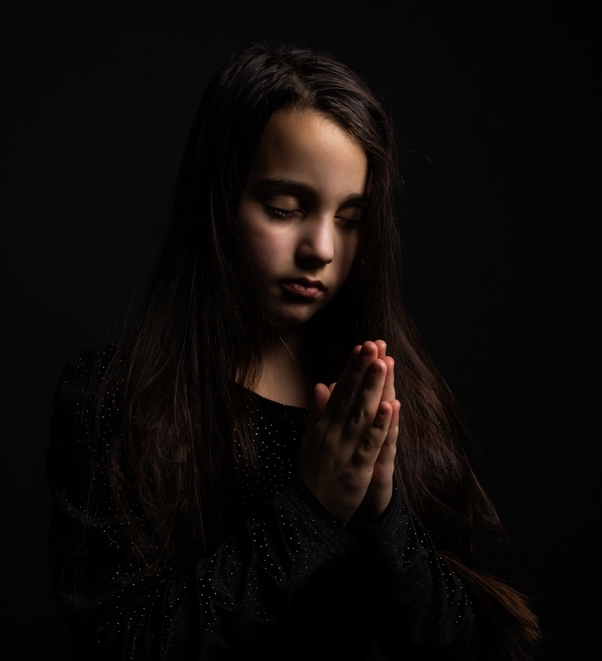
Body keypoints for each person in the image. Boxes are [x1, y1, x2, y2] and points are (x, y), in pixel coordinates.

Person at [48, 42, 540, 660]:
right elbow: (121, 646)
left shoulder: (392, 392)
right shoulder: (115, 399)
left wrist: (380, 518)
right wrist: (308, 512)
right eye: (285, 209)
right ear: (219, 203)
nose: (321, 249)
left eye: (351, 218)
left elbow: (464, 645)